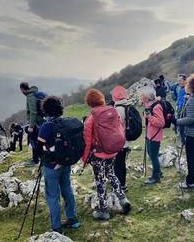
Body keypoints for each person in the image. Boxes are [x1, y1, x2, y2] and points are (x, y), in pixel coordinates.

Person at [82, 89, 131, 220]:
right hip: (112, 151)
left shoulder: (91, 119)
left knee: (100, 180)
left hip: (98, 154)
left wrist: (85, 158)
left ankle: (103, 210)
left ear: (89, 103)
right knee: (111, 174)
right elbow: (119, 130)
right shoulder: (112, 112)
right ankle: (123, 200)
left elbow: (87, 142)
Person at [37, 96, 79, 234]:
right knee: (67, 189)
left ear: (45, 110)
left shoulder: (47, 126)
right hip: (65, 162)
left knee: (53, 195)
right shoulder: (64, 123)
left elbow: (39, 145)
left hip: (51, 165)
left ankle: (56, 227)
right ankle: (72, 219)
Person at [142, 86, 165, 185]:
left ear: (147, 97)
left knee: (153, 156)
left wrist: (149, 117)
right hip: (149, 134)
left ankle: (156, 177)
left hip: (154, 136)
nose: (141, 97)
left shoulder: (156, 107)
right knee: (151, 155)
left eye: (143, 96)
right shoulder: (149, 105)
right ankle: (158, 172)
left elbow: (161, 123)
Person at [20, 82, 45, 165]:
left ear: (22, 89)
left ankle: (36, 160)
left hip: (36, 122)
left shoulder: (30, 96)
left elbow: (33, 112)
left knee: (34, 140)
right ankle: (37, 158)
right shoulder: (33, 94)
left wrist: (31, 126)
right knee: (36, 140)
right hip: (39, 121)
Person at [111, 85, 130, 192]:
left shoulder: (118, 109)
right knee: (122, 163)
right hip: (126, 141)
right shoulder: (127, 106)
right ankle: (123, 184)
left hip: (119, 142)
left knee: (118, 164)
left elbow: (114, 126)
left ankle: (119, 186)